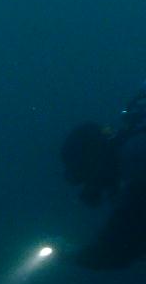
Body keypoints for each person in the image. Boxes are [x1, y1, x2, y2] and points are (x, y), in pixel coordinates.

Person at [61, 84, 146, 269]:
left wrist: (70, 253)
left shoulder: (136, 160)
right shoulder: (132, 153)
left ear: (93, 158)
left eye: (84, 173)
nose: (87, 185)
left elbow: (118, 247)